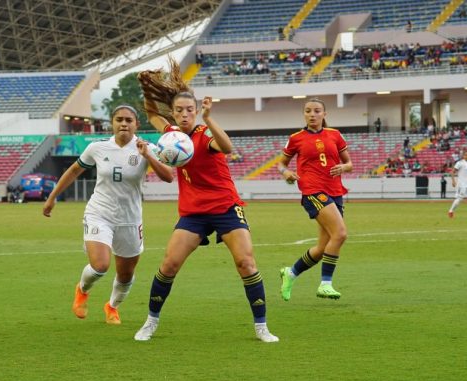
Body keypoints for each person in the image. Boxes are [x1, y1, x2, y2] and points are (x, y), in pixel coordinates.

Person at [133, 58, 278, 343]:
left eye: (190, 110)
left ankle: (261, 326)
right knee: (169, 265)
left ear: (197, 111)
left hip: (225, 206)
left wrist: (210, 119)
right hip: (193, 212)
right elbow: (151, 113)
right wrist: (147, 86)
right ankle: (150, 322)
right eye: (179, 111)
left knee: (246, 263)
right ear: (173, 114)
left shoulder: (203, 136)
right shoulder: (171, 136)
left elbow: (227, 147)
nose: (184, 114)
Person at [42, 105, 173, 325]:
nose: (124, 124)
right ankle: (82, 290)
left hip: (130, 218)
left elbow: (169, 176)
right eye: (119, 119)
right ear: (112, 123)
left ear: (136, 125)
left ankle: (112, 307)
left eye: (128, 120)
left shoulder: (147, 148)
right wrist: (53, 196)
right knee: (100, 265)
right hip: (99, 212)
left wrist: (148, 155)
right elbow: (74, 170)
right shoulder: (97, 147)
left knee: (125, 275)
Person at [277, 97, 353, 301]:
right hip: (312, 191)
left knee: (322, 247)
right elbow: (281, 164)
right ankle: (326, 284)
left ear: (324, 114)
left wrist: (343, 167)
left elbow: (349, 163)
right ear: (304, 114)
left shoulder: (335, 135)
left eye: (317, 111)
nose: (312, 114)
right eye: (308, 111)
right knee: (341, 233)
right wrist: (286, 174)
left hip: (335, 191)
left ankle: (290, 273)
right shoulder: (296, 138)